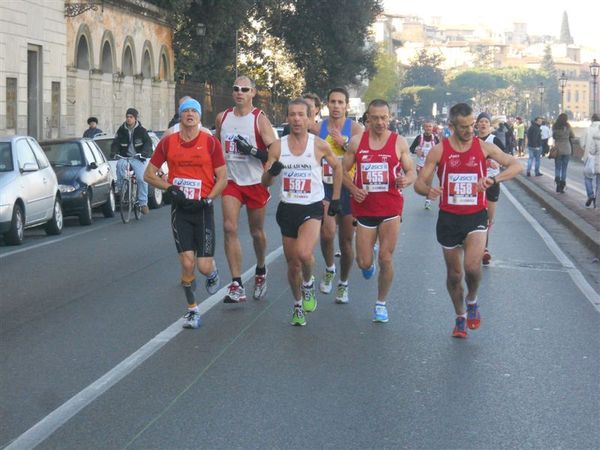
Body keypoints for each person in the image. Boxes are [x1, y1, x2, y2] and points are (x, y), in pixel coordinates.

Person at [414, 103, 521, 338]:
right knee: (454, 275)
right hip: (449, 219)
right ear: (451, 126)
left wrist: (494, 180)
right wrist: (428, 191)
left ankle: (472, 299)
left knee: (472, 267)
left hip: (475, 216)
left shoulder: (483, 147)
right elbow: (419, 183)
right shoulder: (439, 151)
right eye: (464, 127)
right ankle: (460, 315)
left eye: (472, 125)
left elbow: (516, 165)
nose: (470, 130)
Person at [143, 98, 227, 329]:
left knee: (203, 265)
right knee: (187, 263)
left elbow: (223, 177)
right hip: (181, 209)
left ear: (199, 117)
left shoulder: (210, 143)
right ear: (180, 116)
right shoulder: (168, 143)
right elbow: (148, 174)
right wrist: (170, 188)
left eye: (194, 111)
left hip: (203, 209)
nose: (190, 114)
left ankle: (212, 273)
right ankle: (192, 310)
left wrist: (209, 198)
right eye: (186, 111)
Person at [261, 98, 342, 326]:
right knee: (293, 263)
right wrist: (271, 172)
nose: (296, 119)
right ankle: (297, 305)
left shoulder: (319, 145)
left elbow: (337, 167)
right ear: (287, 118)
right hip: (287, 208)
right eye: (292, 115)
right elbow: (264, 182)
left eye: (301, 115)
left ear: (309, 118)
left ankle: (308, 284)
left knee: (304, 254)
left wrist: (335, 198)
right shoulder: (278, 146)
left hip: (312, 207)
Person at [343, 99, 415, 322]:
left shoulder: (398, 141)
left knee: (386, 257)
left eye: (384, 117)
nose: (380, 122)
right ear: (368, 118)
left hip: (391, 207)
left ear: (389, 117)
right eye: (375, 118)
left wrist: (407, 180)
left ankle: (381, 304)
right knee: (363, 262)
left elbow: (411, 170)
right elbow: (341, 171)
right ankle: (368, 263)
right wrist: (354, 189)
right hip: (364, 208)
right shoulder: (357, 142)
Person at [215, 76, 278, 302]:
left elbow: (274, 152)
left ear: (253, 92)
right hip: (231, 181)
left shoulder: (259, 119)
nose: (239, 92)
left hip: (255, 181)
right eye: (236, 89)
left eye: (244, 89)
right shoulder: (223, 118)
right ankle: (236, 283)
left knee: (256, 232)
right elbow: (216, 147)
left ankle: (261, 269)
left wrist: (252, 150)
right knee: (229, 227)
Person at [317, 87, 364, 304]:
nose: (336, 106)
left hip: (347, 188)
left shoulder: (355, 128)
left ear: (347, 106)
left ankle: (343, 283)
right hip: (325, 187)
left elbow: (362, 154)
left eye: (340, 102)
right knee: (327, 234)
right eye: (333, 101)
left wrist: (343, 141)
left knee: (346, 241)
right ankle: (329, 268)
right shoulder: (319, 128)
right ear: (327, 104)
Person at [476, 112, 505, 265]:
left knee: (489, 218)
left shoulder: (495, 140)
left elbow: (505, 158)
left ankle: (483, 245)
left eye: (486, 121)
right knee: (477, 216)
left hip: (492, 182)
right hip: (476, 183)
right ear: (477, 124)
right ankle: (483, 249)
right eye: (481, 121)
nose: (484, 124)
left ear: (490, 124)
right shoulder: (472, 141)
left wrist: (496, 163)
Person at [111, 108, 153, 214]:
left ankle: (143, 203)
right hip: (125, 157)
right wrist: (114, 152)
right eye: (127, 117)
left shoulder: (142, 131)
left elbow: (148, 144)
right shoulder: (121, 130)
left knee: (141, 178)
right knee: (119, 166)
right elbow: (115, 143)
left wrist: (143, 154)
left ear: (135, 118)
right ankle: (122, 190)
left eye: (131, 117)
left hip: (138, 158)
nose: (129, 119)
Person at [409, 119, 440, 209]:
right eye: (426, 126)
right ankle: (427, 193)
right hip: (420, 164)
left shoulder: (435, 138)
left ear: (432, 128)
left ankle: (428, 201)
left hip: (431, 165)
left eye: (430, 126)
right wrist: (416, 151)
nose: (428, 128)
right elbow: (411, 148)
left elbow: (441, 150)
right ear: (423, 128)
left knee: (428, 182)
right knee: (421, 183)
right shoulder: (419, 137)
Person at [552, 113, 575, 193]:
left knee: (558, 167)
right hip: (567, 149)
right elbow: (573, 136)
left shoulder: (555, 126)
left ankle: (557, 180)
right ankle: (562, 186)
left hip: (558, 149)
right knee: (564, 168)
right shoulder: (568, 126)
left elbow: (553, 136)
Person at [583, 113, 600, 207]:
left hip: (592, 159)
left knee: (588, 177)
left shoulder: (588, 130)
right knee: (599, 183)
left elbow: (590, 149)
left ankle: (591, 195)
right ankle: (597, 203)